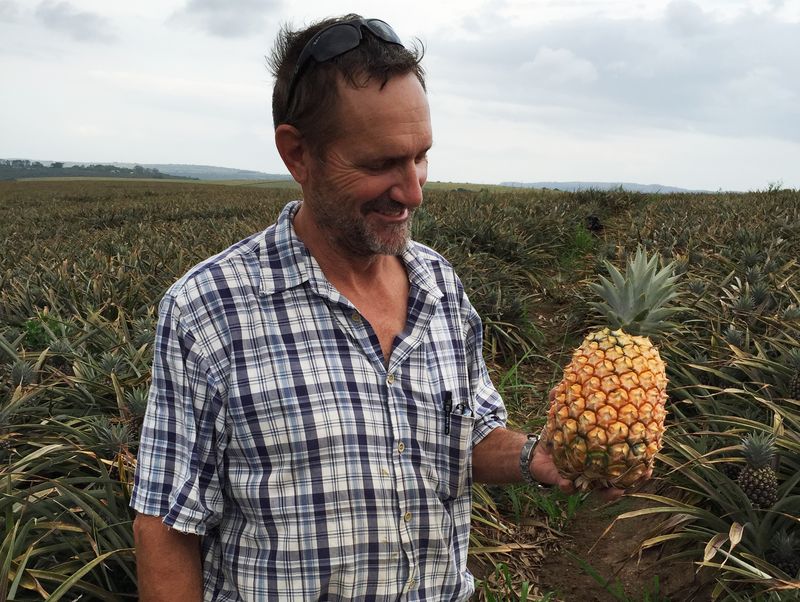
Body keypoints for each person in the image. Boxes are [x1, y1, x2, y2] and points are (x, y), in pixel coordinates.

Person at [131, 14, 621, 601]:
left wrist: (534, 457)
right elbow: (165, 523)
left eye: (420, 157)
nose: (413, 191)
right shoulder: (209, 309)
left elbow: (465, 437)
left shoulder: (440, 286)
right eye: (380, 163)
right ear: (298, 154)